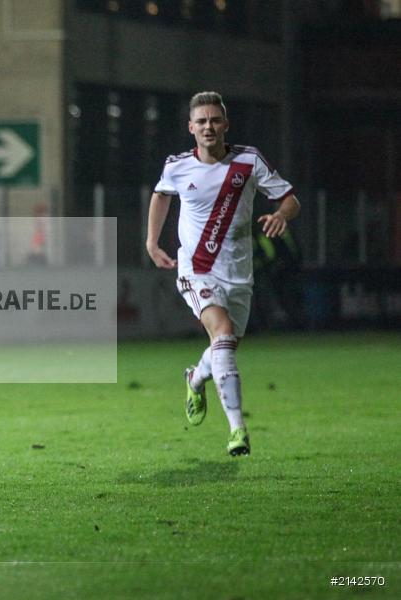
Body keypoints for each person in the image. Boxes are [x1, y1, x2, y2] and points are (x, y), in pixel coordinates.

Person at [145, 91, 300, 456]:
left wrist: (281, 215)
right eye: (201, 121)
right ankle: (237, 430)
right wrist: (152, 243)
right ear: (190, 127)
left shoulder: (249, 160)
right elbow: (161, 195)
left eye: (214, 120)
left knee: (224, 346)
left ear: (225, 125)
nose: (208, 126)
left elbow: (290, 198)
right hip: (196, 270)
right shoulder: (178, 165)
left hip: (238, 273)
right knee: (224, 333)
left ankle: (195, 379)